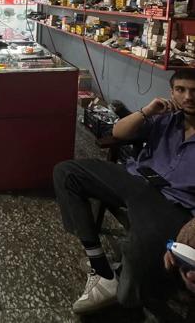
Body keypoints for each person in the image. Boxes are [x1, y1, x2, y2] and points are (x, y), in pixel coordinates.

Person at [53, 69, 195, 315]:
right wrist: (147, 111)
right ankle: (100, 266)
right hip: (135, 179)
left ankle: (123, 287)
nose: (188, 97)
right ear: (172, 92)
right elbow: (118, 132)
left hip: (174, 202)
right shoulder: (165, 118)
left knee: (139, 254)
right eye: (180, 90)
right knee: (66, 172)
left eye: (194, 91)